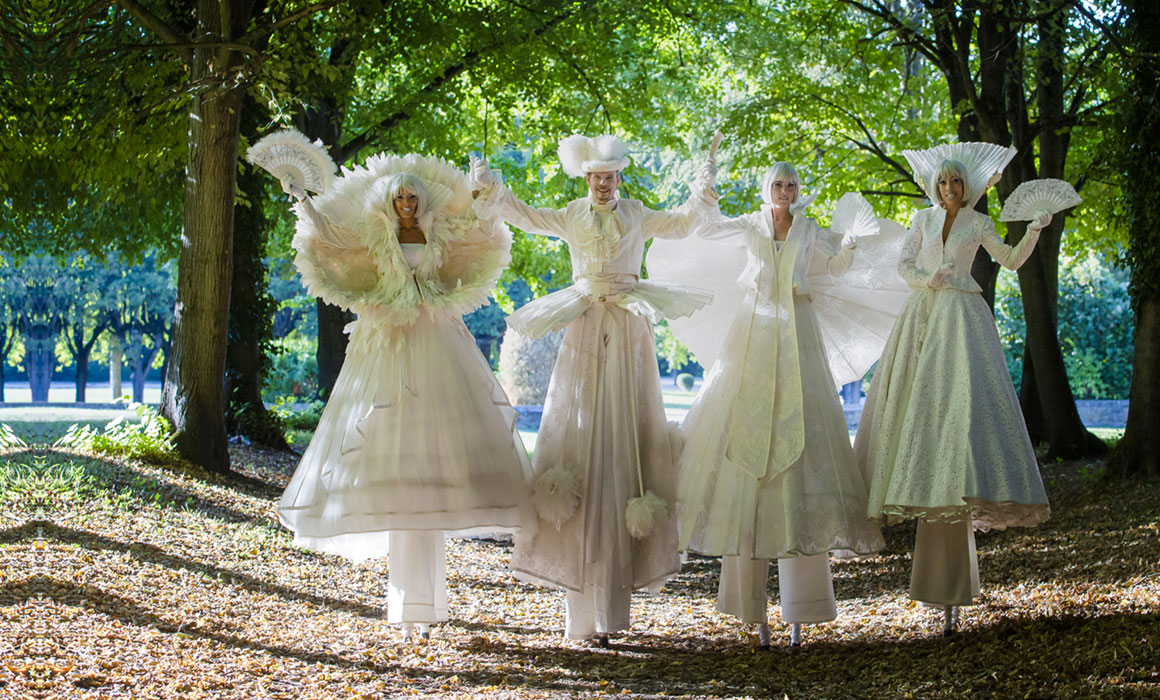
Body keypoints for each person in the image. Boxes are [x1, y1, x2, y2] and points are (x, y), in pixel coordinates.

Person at [276, 153, 535, 640]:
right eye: (399, 197)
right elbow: (332, 242)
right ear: (390, 201)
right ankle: (408, 603)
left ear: (421, 199)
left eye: (412, 195)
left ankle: (427, 602)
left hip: (436, 337)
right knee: (389, 445)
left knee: (435, 451)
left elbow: (480, 239)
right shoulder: (377, 235)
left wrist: (484, 196)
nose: (407, 203)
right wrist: (304, 204)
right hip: (388, 339)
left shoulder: (436, 234)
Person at [469, 134, 713, 646]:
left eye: (611, 178)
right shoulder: (571, 214)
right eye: (596, 178)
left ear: (619, 179)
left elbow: (684, 222)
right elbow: (525, 214)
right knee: (578, 439)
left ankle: (614, 613)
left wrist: (703, 184)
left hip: (627, 328)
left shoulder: (638, 213)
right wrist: (491, 188)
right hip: (583, 326)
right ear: (586, 180)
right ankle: (578, 618)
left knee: (628, 437)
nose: (603, 185)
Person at [650, 162, 892, 648]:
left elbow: (833, 268)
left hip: (799, 341)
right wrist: (705, 193)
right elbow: (712, 229)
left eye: (791, 184)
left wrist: (848, 245)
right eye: (778, 184)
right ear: (767, 189)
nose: (785, 191)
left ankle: (801, 617)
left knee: (802, 463)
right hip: (754, 338)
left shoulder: (809, 229)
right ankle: (753, 616)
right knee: (746, 463)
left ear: (799, 190)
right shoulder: (751, 224)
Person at [854, 144, 1052, 636]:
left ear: (968, 187)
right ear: (934, 186)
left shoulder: (977, 223)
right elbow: (902, 264)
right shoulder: (920, 221)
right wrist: (928, 277)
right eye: (943, 183)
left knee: (961, 407)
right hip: (922, 317)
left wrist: (1033, 229)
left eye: (956, 183)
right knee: (916, 407)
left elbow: (1009, 261)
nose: (949, 190)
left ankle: (962, 482)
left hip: (963, 319)